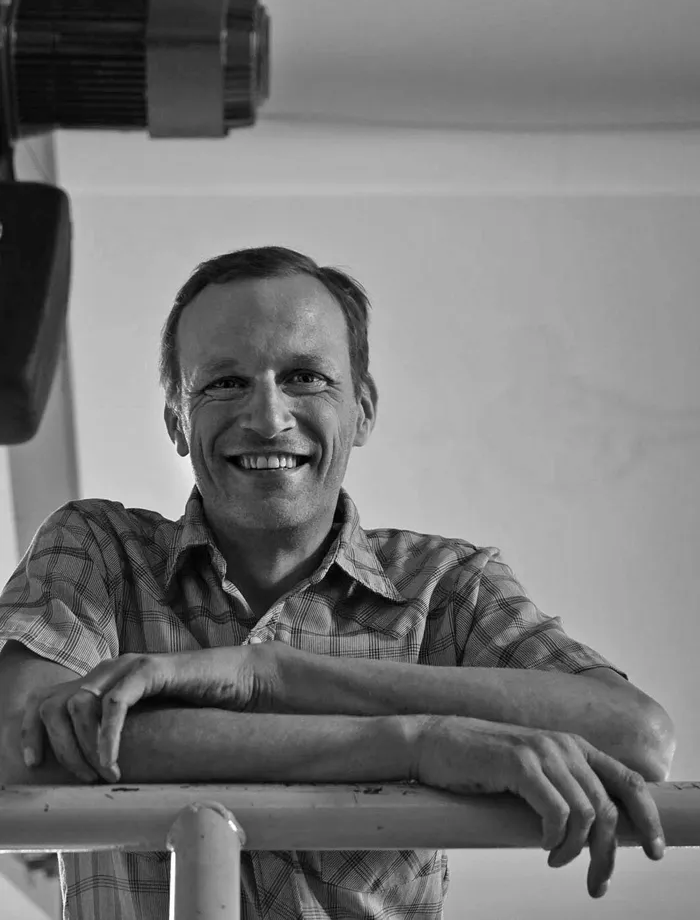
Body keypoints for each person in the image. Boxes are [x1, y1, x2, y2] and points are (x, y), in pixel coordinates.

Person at [0, 246, 675, 920]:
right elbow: (13, 746)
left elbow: (635, 737)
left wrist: (275, 676)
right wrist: (412, 743)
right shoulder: (100, 550)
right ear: (178, 419)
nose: (267, 418)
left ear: (364, 409)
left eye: (304, 377)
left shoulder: (448, 588)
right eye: (224, 383)